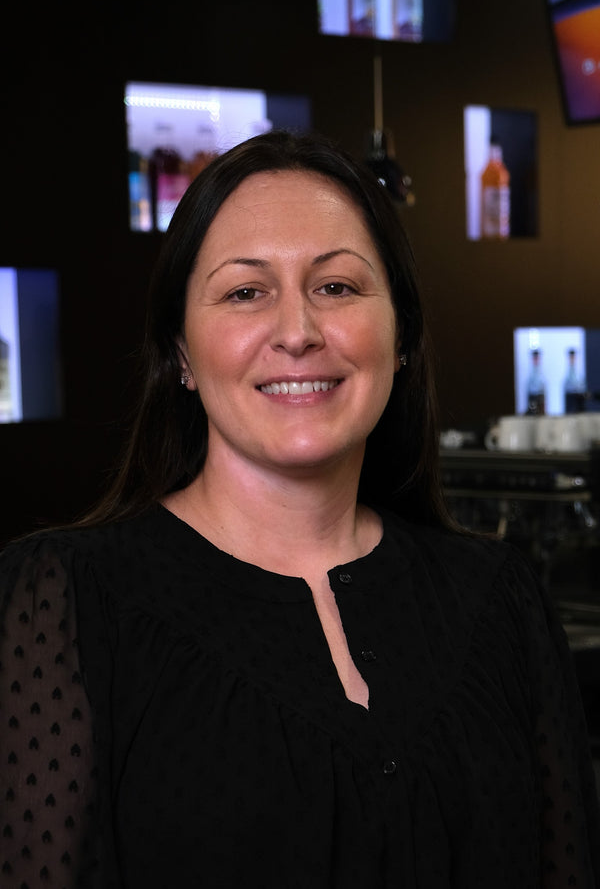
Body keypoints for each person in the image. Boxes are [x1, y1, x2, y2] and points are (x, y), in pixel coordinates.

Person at [1, 129, 599, 888]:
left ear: (402, 334)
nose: (297, 332)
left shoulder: (502, 600)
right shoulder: (62, 603)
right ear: (181, 353)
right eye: (246, 292)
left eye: (337, 287)